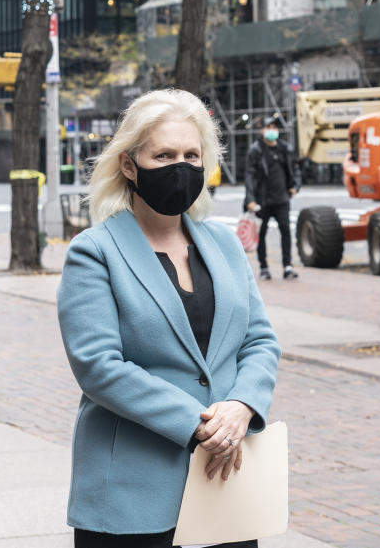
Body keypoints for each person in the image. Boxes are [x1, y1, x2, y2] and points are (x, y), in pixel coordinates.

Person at [57, 89, 281, 547]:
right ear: (128, 165)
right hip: (131, 495)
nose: (181, 166)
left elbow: (259, 341)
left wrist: (242, 407)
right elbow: (99, 367)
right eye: (163, 154)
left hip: (224, 486)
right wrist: (199, 424)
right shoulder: (94, 252)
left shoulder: (224, 245)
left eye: (191, 154)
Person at [245, 118, 302, 281]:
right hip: (262, 200)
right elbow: (249, 175)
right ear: (262, 130)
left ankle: (288, 266)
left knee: (285, 231)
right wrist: (250, 199)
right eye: (268, 127)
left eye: (274, 127)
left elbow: (295, 169)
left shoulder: (285, 149)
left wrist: (295, 186)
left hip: (282, 199)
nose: (272, 130)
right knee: (261, 234)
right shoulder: (255, 150)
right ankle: (263, 267)